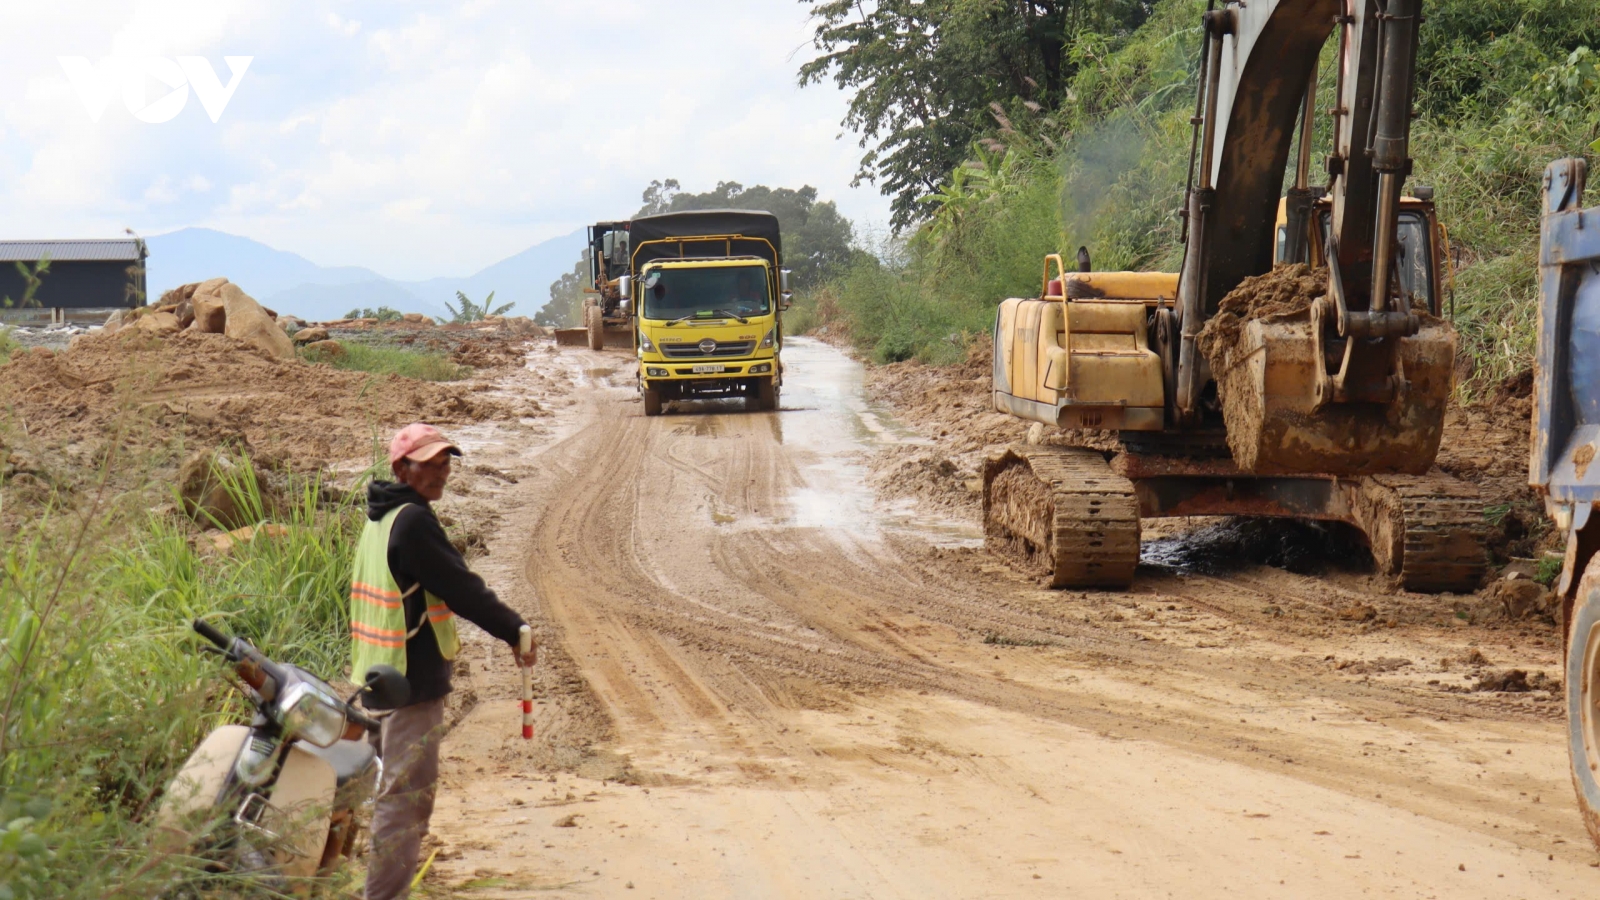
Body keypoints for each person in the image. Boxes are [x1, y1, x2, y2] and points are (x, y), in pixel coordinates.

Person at [352, 423, 536, 900]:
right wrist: (514, 629)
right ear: (401, 468)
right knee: (405, 800)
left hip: (380, 675)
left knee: (395, 792)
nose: (440, 472)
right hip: (409, 682)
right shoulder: (412, 521)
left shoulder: (381, 517)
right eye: (428, 463)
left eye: (444, 462)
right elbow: (460, 587)